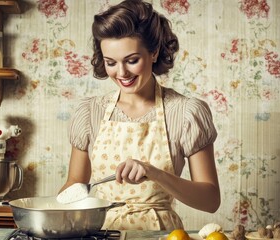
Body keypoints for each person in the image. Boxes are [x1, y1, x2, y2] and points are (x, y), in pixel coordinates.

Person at [59, 0, 220, 231]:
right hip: (101, 233)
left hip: (160, 234)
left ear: (154, 53)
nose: (121, 73)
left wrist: (155, 173)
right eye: (111, 63)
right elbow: (76, 184)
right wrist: (52, 213)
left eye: (132, 60)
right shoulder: (89, 113)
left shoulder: (186, 113)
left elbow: (211, 201)